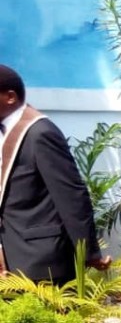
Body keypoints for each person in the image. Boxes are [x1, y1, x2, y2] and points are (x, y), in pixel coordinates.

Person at [0, 65, 110, 283]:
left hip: (40, 261)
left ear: (10, 97)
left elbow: (71, 195)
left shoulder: (40, 133)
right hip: (10, 256)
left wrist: (88, 252)